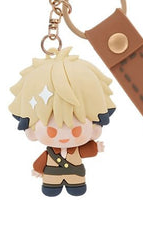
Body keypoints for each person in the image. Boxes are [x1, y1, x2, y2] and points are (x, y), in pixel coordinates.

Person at [9, 47, 115, 196]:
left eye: (75, 131)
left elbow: (87, 150)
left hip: (75, 176)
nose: (64, 136)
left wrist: (96, 147)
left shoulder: (77, 148)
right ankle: (53, 187)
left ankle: (74, 187)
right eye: (51, 131)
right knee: (51, 189)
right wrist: (38, 169)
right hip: (51, 176)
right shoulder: (50, 153)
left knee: (77, 188)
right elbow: (41, 162)